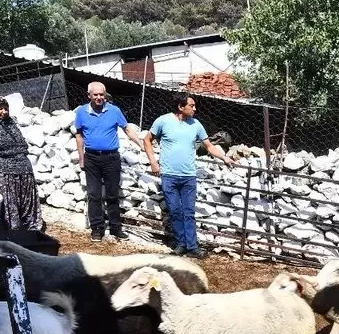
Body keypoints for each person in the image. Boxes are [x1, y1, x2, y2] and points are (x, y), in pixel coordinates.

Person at [143, 93, 234, 257]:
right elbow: (147, 140)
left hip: (188, 176)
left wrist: (224, 157)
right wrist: (153, 162)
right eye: (191, 106)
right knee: (175, 210)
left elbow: (209, 146)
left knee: (189, 212)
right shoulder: (163, 121)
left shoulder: (196, 124)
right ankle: (180, 244)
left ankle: (192, 247)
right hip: (169, 175)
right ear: (180, 107)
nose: (195, 109)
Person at [73, 81, 136, 242]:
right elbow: (79, 136)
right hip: (92, 158)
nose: (99, 97)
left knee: (112, 195)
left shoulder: (114, 111)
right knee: (94, 195)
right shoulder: (81, 112)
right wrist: (81, 158)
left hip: (111, 158)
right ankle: (97, 229)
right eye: (96, 95)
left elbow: (127, 129)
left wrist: (141, 143)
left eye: (102, 94)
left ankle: (115, 228)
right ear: (89, 96)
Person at [0, 95, 43, 231]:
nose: (4, 112)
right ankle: (12, 230)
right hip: (0, 169)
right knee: (8, 204)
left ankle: (32, 229)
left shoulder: (10, 122)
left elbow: (21, 144)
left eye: (6, 108)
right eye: (0, 108)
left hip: (23, 167)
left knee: (27, 202)